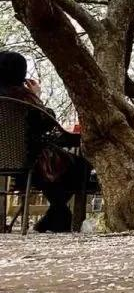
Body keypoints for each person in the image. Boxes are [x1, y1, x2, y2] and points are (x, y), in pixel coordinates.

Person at [0, 51, 88, 233]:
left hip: (11, 161)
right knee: (80, 165)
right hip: (28, 160)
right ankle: (58, 217)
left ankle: (55, 217)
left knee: (53, 171)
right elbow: (46, 122)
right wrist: (37, 95)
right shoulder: (23, 96)